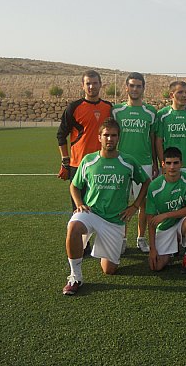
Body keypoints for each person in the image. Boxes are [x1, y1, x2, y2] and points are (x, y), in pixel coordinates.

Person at [62, 118, 149, 295]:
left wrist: (135, 206)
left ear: (119, 138)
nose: (110, 139)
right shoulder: (89, 160)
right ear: (99, 137)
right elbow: (74, 185)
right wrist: (79, 204)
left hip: (114, 221)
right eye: (106, 135)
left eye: (114, 135)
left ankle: (101, 246)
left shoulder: (128, 162)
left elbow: (146, 181)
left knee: (109, 270)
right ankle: (75, 276)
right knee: (73, 226)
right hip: (91, 213)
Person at [56, 70, 113, 255]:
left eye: (95, 83)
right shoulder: (74, 107)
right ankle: (82, 244)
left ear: (100, 85)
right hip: (78, 165)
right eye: (88, 83)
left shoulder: (108, 107)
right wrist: (65, 161)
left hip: (102, 165)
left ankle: (102, 240)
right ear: (83, 85)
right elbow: (60, 135)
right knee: (79, 206)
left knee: (101, 204)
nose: (91, 86)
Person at [112, 72, 158, 253]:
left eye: (139, 86)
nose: (135, 89)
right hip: (121, 163)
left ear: (143, 88)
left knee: (143, 204)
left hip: (144, 163)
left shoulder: (150, 112)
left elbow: (153, 139)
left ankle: (141, 238)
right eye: (132, 85)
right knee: (121, 203)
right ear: (126, 88)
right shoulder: (117, 111)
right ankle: (122, 238)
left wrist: (155, 162)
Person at [146, 147, 186, 273]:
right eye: (169, 163)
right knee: (156, 266)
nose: (172, 167)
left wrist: (165, 215)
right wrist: (152, 249)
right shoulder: (154, 186)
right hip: (165, 227)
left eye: (176, 163)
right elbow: (151, 220)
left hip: (182, 221)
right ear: (163, 164)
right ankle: (172, 249)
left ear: (181, 164)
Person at [155, 80, 186, 175]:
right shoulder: (162, 115)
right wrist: (163, 165)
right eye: (180, 92)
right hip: (169, 166)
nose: (184, 95)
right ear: (171, 95)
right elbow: (158, 141)